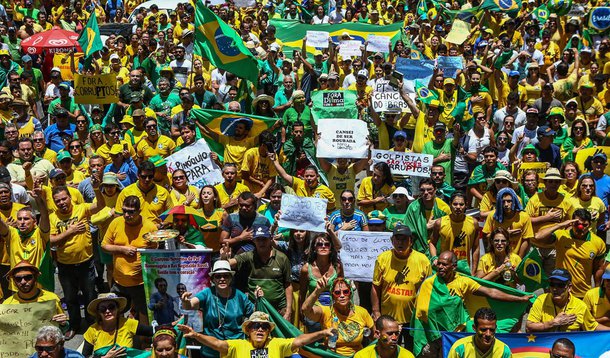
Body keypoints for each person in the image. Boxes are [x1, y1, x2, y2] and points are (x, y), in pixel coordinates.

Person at [413, 251, 531, 357]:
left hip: (454, 335)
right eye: (439, 263)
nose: (440, 267)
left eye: (444, 264)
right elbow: (420, 311)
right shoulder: (429, 283)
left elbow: (490, 292)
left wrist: (519, 299)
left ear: (454, 267)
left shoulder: (463, 282)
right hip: (430, 335)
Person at [49, 177, 105, 333]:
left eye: (63, 199)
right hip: (65, 265)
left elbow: (101, 205)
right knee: (70, 298)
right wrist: (70, 231)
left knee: (90, 296)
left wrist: (96, 188)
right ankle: (74, 325)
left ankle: (92, 324)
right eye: (57, 201)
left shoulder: (82, 208)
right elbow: (52, 241)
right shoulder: (53, 218)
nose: (61, 203)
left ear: (69, 197)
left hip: (86, 263)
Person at [101, 195, 158, 324]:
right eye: (124, 211)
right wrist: (122, 249)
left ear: (139, 211)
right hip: (118, 281)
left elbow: (154, 253)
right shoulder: (116, 223)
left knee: (144, 312)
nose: (126, 215)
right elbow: (104, 245)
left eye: (131, 212)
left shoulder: (150, 227)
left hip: (140, 283)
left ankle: (143, 341)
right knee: (113, 310)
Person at [180, 260, 254, 358]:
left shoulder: (240, 296)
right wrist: (185, 301)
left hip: (234, 348)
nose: (222, 279)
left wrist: (259, 299)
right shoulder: (207, 293)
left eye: (226, 276)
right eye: (218, 276)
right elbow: (189, 305)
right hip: (211, 349)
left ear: (231, 278)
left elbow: (254, 315)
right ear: (213, 279)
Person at [371, 224, 431, 346]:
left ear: (411, 241)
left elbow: (429, 290)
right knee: (387, 349)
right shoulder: (382, 259)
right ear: (392, 241)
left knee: (410, 351)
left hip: (412, 320)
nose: (400, 242)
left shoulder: (423, 260)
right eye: (397, 239)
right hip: (388, 319)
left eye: (404, 239)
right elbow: (375, 286)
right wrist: (376, 311)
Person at [178, 311, 333, 357]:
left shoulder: (277, 344)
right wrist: (196, 336)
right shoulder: (237, 345)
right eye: (256, 326)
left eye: (264, 327)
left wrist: (323, 332)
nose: (260, 329)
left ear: (268, 331)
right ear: (248, 329)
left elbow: (300, 340)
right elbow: (217, 343)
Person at [221, 225, 292, 320]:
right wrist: (224, 258)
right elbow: (229, 264)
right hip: (255, 309)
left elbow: (288, 285)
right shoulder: (249, 256)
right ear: (254, 241)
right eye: (258, 239)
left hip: (279, 309)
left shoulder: (282, 258)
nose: (261, 242)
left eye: (264, 239)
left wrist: (288, 310)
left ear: (270, 239)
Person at [534, 209, 606, 299]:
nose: (581, 227)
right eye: (577, 224)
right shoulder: (562, 236)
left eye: (585, 225)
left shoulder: (598, 243)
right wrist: (560, 225)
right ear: (571, 223)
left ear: (590, 225)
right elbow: (538, 236)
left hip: (583, 293)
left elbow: (598, 270)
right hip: (560, 291)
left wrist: (597, 290)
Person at [302, 276, 375, 356]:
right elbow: (305, 310)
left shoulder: (362, 312)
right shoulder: (327, 311)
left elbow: (375, 336)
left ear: (350, 293)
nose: (342, 295)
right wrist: (317, 291)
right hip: (332, 355)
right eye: (337, 293)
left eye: (345, 292)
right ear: (332, 295)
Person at [526, 167, 575, 275]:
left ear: (560, 184)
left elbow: (570, 224)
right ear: (545, 183)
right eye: (550, 181)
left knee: (552, 280)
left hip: (555, 248)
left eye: (556, 182)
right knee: (531, 281)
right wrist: (546, 218)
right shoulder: (535, 199)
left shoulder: (566, 202)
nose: (553, 184)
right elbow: (526, 220)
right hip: (535, 247)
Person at [526, 268, 607, 332]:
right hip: (544, 348)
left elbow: (593, 327)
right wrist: (554, 323)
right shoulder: (541, 300)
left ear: (569, 287)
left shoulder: (580, 306)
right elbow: (529, 325)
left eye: (560, 285)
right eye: (552, 284)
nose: (555, 289)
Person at [82, 293, 153, 356]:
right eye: (102, 309)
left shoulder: (128, 323)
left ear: (117, 309)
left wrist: (157, 347)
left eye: (111, 307)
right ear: (98, 312)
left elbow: (153, 331)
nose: (107, 311)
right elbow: (84, 356)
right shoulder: (92, 330)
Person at [430, 191, 479, 274]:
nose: (458, 207)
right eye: (455, 204)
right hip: (445, 269)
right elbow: (432, 243)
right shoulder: (440, 223)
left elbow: (476, 247)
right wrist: (434, 258)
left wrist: (474, 270)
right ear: (450, 205)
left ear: (466, 205)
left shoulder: (473, 223)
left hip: (464, 270)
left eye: (461, 204)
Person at [404, 178, 451, 258]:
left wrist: (438, 225)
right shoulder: (413, 208)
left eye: (429, 190)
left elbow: (449, 231)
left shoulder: (444, 208)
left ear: (435, 190)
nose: (426, 193)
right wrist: (425, 227)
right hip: (418, 251)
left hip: (438, 252)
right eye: (422, 190)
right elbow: (407, 230)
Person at [482, 187, 533, 258]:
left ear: (514, 201)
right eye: (503, 201)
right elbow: (486, 236)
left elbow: (526, 240)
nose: (506, 204)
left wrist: (519, 260)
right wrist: (505, 234)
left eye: (509, 201)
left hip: (516, 257)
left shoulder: (524, 217)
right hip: (496, 257)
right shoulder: (492, 216)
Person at [447, 308, 512, 358]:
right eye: (483, 330)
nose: (488, 334)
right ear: (474, 328)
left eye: (492, 330)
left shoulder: (504, 351)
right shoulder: (460, 348)